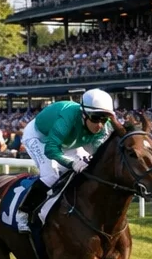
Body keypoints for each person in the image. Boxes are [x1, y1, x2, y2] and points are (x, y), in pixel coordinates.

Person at [17, 89, 116, 232]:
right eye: (95, 118)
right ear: (84, 113)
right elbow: (51, 149)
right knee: (51, 175)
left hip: (68, 141)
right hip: (40, 137)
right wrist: (72, 163)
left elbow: (98, 155)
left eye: (104, 119)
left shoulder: (104, 127)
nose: (99, 125)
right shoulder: (67, 117)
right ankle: (23, 214)